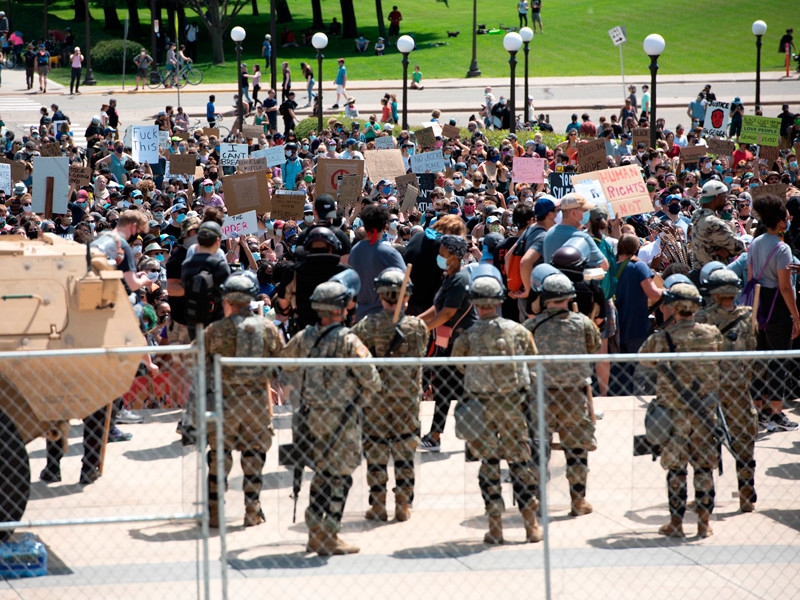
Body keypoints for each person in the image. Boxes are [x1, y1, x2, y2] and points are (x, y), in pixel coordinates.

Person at [281, 281, 382, 556]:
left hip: (310, 416)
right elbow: (372, 380)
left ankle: (315, 532)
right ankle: (331, 534)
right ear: (340, 307)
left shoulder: (304, 337)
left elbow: (285, 363)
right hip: (343, 419)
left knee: (321, 474)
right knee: (341, 477)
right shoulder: (349, 340)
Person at [452, 271, 542, 544]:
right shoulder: (518, 331)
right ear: (500, 300)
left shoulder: (468, 335)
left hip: (481, 407)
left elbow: (459, 363)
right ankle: (531, 526)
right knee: (520, 463)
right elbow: (532, 360)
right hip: (513, 406)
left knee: (489, 465)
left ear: (476, 303)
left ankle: (495, 528)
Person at [638, 280, 722, 538]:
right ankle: (704, 522)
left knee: (676, 469)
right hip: (704, 413)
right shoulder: (711, 334)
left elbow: (645, 360)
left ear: (672, 307)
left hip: (672, 413)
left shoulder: (662, 338)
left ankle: (676, 523)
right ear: (696, 306)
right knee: (704, 467)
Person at [204, 272, 284, 528]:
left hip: (224, 402)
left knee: (219, 456)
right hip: (257, 403)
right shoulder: (267, 328)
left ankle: (215, 511)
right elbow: (279, 360)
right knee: (254, 456)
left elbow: (201, 363)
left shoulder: (215, 330)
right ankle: (252, 510)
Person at [351, 268, 429, 522]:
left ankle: (378, 504)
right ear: (406, 297)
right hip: (406, 401)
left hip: (375, 401)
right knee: (405, 453)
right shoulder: (417, 327)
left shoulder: (366, 326)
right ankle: (404, 503)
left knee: (376, 453)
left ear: (381, 295)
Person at [524, 266, 600, 518]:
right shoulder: (583, 323)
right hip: (574, 395)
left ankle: (534, 500)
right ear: (570, 298)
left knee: (538, 450)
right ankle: (578, 501)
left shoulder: (532, 325)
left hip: (540, 395)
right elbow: (594, 346)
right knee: (577, 450)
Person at [695, 263, 758, 512]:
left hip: (708, 390)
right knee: (744, 441)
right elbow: (753, 355)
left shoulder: (701, 319)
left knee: (705, 443)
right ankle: (746, 494)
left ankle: (706, 498)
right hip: (739, 389)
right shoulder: (747, 317)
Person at [418, 234, 477, 452]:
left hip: (461, 342)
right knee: (443, 386)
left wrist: (423, 328)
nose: (439, 256)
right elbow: (437, 309)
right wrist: (416, 321)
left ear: (453, 255)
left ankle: (438, 435)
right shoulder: (449, 277)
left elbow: (449, 312)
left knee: (455, 388)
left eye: (442, 252)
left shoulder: (460, 279)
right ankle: (436, 435)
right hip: (447, 338)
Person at [748, 194, 800, 432]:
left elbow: (750, 279)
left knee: (759, 359)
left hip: (757, 306)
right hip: (778, 307)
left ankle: (757, 411)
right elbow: (785, 286)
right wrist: (796, 316)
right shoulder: (782, 248)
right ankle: (777, 415)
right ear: (780, 222)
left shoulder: (754, 243)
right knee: (778, 361)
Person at [349, 204, 406, 321]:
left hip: (360, 317)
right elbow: (406, 284)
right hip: (385, 319)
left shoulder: (354, 250)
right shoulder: (390, 253)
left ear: (364, 226)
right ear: (385, 227)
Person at [690, 181, 745, 270]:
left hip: (700, 272)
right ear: (717, 197)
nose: (725, 200)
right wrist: (729, 251)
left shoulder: (697, 219)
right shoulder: (713, 223)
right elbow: (740, 247)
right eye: (724, 196)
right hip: (715, 275)